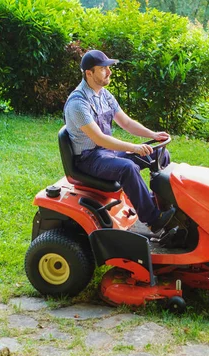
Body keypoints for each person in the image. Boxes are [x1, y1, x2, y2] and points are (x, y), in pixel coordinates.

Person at [63, 50, 175, 233]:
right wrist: (134, 148)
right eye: (103, 69)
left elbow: (126, 122)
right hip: (88, 159)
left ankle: (162, 205)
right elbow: (100, 138)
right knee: (127, 168)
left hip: (106, 153)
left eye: (108, 68)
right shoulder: (78, 103)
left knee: (159, 154)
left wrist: (153, 135)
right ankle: (153, 219)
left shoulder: (104, 95)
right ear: (88, 73)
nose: (109, 72)